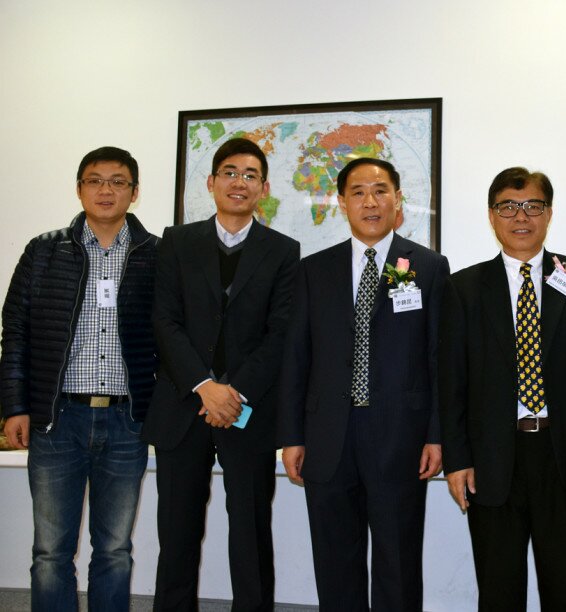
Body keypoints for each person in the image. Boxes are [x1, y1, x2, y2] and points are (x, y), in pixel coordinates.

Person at [278, 157, 448, 611]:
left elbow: (438, 358)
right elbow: (296, 358)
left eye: (380, 190)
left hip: (401, 437)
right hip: (328, 435)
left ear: (397, 200)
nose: (370, 201)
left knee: (398, 559)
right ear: (342, 202)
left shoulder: (427, 266)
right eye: (358, 192)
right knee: (335, 560)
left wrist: (436, 434)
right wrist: (292, 435)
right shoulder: (314, 270)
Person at [439, 167, 566, 611]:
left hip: (564, 454)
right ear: (492, 216)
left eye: (533, 206)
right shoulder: (464, 287)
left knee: (563, 584)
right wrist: (457, 460)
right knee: (498, 587)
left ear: (549, 213)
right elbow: (452, 381)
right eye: (508, 207)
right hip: (492, 456)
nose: (522, 217)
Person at [143, 137, 300, 611]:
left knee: (250, 536)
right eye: (230, 172)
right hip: (183, 405)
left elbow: (281, 333)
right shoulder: (177, 241)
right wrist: (205, 387)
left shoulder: (283, 250)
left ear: (264, 188)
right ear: (211, 182)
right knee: (177, 535)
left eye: (250, 175)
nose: (240, 182)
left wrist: (233, 392)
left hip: (247, 410)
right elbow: (164, 320)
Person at [0, 146, 158, 611]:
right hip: (56, 418)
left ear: (134, 191)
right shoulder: (44, 250)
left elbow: (172, 335)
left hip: (127, 421)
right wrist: (14, 406)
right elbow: (16, 333)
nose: (105, 190)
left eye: (118, 181)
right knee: (51, 551)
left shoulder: (158, 255)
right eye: (95, 180)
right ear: (79, 188)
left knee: (114, 550)